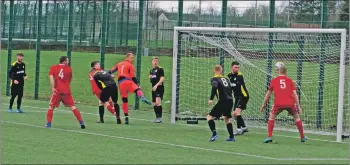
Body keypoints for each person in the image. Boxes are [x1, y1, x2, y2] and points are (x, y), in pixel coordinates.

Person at [260, 62, 307, 143]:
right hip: (290, 103)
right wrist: (298, 106)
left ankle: (269, 136)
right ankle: (302, 137)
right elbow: (295, 94)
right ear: (286, 72)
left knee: (271, 117)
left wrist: (264, 104)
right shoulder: (290, 81)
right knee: (297, 117)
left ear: (278, 71)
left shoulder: (274, 81)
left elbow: (268, 94)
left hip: (278, 104)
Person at [109, 52, 152, 124]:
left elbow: (110, 71)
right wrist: (137, 84)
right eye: (132, 58)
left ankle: (126, 117)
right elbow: (133, 77)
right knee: (137, 89)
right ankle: (142, 96)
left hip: (121, 84)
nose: (133, 59)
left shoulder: (119, 64)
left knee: (125, 100)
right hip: (128, 81)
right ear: (127, 57)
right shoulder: (130, 65)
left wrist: (110, 75)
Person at [46, 56, 85, 129]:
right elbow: (70, 78)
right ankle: (81, 123)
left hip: (57, 91)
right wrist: (66, 85)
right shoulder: (69, 69)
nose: (68, 62)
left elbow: (51, 78)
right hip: (66, 91)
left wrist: (53, 88)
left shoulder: (54, 67)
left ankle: (48, 124)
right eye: (68, 61)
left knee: (51, 107)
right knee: (73, 107)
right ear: (64, 62)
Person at [207, 65, 235, 142]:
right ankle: (232, 137)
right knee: (226, 118)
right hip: (230, 100)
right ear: (221, 70)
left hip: (223, 100)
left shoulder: (214, 79)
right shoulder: (226, 78)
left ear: (214, 70)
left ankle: (214, 134)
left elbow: (214, 87)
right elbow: (230, 89)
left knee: (209, 117)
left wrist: (211, 99)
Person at [227, 61, 249, 135]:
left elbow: (238, 87)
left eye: (238, 67)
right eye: (235, 67)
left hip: (243, 96)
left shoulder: (239, 76)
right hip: (237, 97)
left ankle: (241, 128)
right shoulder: (229, 76)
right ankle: (242, 128)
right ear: (232, 67)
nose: (237, 69)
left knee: (236, 112)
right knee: (234, 114)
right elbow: (231, 87)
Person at [149, 57, 165, 123]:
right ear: (152, 62)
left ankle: (160, 118)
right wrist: (150, 78)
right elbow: (152, 80)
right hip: (153, 88)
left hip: (159, 88)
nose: (155, 62)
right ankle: (157, 117)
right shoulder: (151, 71)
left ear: (158, 62)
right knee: (154, 103)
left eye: (156, 61)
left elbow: (162, 78)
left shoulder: (160, 69)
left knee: (158, 102)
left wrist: (156, 85)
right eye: (154, 61)